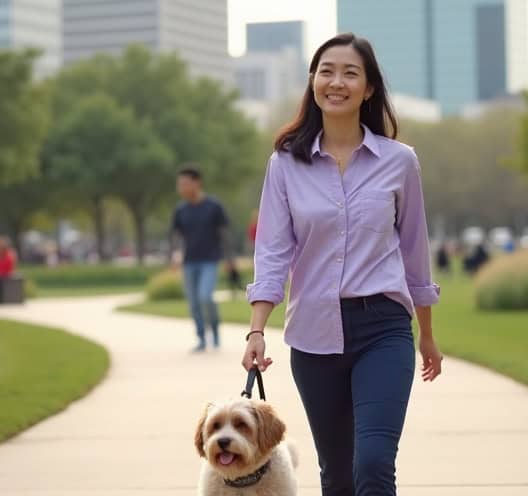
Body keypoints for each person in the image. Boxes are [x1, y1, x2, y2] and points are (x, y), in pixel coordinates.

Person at [243, 33, 443, 496]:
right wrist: (256, 330)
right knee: (336, 474)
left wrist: (427, 334)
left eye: (350, 73)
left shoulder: (399, 162)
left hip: (384, 329)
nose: (337, 82)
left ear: (369, 88)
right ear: (313, 81)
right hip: (313, 336)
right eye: (326, 71)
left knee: (372, 464)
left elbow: (415, 251)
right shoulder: (285, 163)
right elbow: (272, 252)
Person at [170, 165, 230, 352]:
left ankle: (215, 328)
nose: (182, 188)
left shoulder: (213, 206)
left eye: (185, 183)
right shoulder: (181, 210)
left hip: (210, 260)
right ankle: (202, 338)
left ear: (197, 183)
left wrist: (229, 259)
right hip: (189, 262)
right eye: (180, 184)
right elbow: (176, 236)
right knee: (194, 302)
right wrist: (176, 254)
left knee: (205, 296)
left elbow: (224, 234)